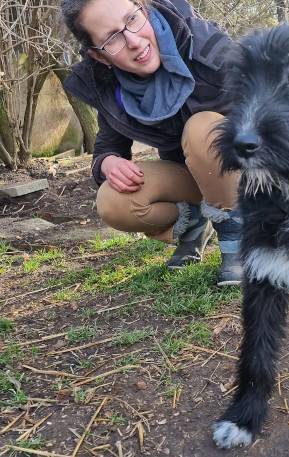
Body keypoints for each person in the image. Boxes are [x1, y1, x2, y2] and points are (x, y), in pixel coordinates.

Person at [61, 0, 243, 286]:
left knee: (202, 129)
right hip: (192, 177)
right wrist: (108, 163)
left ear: (143, 8)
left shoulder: (208, 48)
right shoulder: (112, 87)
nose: (133, 41)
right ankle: (194, 222)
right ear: (99, 56)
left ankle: (241, 240)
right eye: (112, 38)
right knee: (113, 202)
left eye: (132, 19)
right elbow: (108, 146)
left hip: (247, 171)